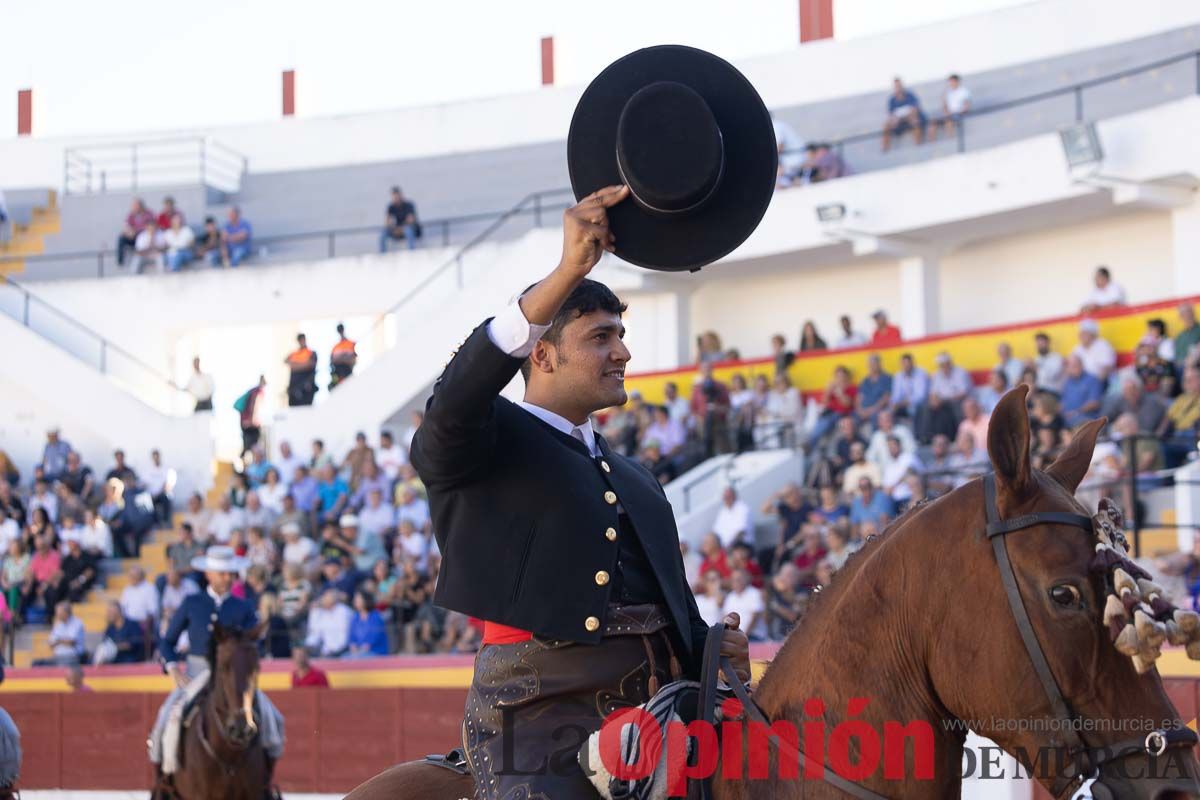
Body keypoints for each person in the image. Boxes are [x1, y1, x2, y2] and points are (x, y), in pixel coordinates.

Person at [409, 184, 749, 798]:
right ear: (540, 354)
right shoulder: (485, 441)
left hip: (667, 714)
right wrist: (568, 270)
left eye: (619, 333)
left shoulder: (639, 481)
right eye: (600, 337)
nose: (623, 351)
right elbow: (451, 408)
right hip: (541, 725)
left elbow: (679, 619)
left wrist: (716, 654)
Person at [150, 546, 284, 781]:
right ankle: (165, 778)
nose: (228, 578)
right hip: (196, 672)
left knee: (273, 718)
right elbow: (166, 642)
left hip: (234, 677)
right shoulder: (192, 603)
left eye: (230, 573)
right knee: (167, 717)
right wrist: (172, 668)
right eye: (222, 573)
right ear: (208, 575)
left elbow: (256, 644)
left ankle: (266, 782)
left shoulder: (243, 607)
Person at [882, 77, 925, 152]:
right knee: (886, 126)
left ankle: (918, 145)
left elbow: (915, 109)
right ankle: (885, 150)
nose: (898, 88)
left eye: (899, 85)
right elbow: (891, 114)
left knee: (915, 121)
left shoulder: (910, 95)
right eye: (896, 86)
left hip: (910, 119)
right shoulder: (892, 99)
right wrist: (895, 120)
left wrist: (907, 116)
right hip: (898, 122)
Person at [346, 590, 389, 657]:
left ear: (365, 600)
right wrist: (353, 645)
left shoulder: (376, 617)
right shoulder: (355, 618)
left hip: (376, 652)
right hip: (358, 652)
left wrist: (363, 648)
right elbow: (352, 637)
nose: (355, 601)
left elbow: (375, 637)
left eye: (358, 598)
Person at [928, 73, 971, 141]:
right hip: (949, 114)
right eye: (950, 82)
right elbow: (944, 105)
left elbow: (966, 105)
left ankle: (951, 141)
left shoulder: (963, 91)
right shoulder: (948, 92)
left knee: (948, 121)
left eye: (952, 81)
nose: (951, 83)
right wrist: (946, 112)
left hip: (958, 114)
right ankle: (932, 143)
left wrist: (959, 113)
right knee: (932, 122)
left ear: (957, 81)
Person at [379, 186, 419, 252]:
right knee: (383, 234)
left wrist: (400, 229)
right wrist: (392, 228)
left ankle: (412, 253)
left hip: (410, 229)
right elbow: (387, 222)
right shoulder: (391, 207)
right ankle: (382, 256)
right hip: (397, 230)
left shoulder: (408, 205)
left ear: (401, 195)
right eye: (394, 196)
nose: (396, 198)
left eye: (397, 195)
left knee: (408, 230)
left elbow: (411, 220)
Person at [117, 198, 155, 267]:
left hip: (144, 235)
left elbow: (151, 225)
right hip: (134, 236)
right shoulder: (131, 215)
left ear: (140, 206)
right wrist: (129, 232)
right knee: (121, 238)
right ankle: (120, 260)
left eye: (135, 206)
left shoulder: (148, 213)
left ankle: (140, 253)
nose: (133, 208)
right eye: (133, 206)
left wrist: (136, 230)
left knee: (140, 236)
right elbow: (127, 226)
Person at [235, 375, 267, 454]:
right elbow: (255, 404)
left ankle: (244, 462)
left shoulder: (252, 390)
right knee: (253, 446)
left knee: (247, 446)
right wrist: (252, 419)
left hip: (244, 422)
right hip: (251, 424)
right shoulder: (259, 391)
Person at [285, 334, 318, 407]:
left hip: (306, 388)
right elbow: (286, 362)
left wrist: (295, 365)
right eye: (300, 340)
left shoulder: (311, 352)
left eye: (302, 339)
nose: (301, 341)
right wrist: (304, 364)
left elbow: (311, 364)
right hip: (294, 388)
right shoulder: (294, 354)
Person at [329, 323, 358, 390]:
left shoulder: (351, 344)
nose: (341, 332)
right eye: (339, 330)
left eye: (341, 329)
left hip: (348, 372)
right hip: (338, 375)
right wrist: (345, 358)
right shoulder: (335, 347)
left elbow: (353, 360)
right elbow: (333, 361)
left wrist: (341, 359)